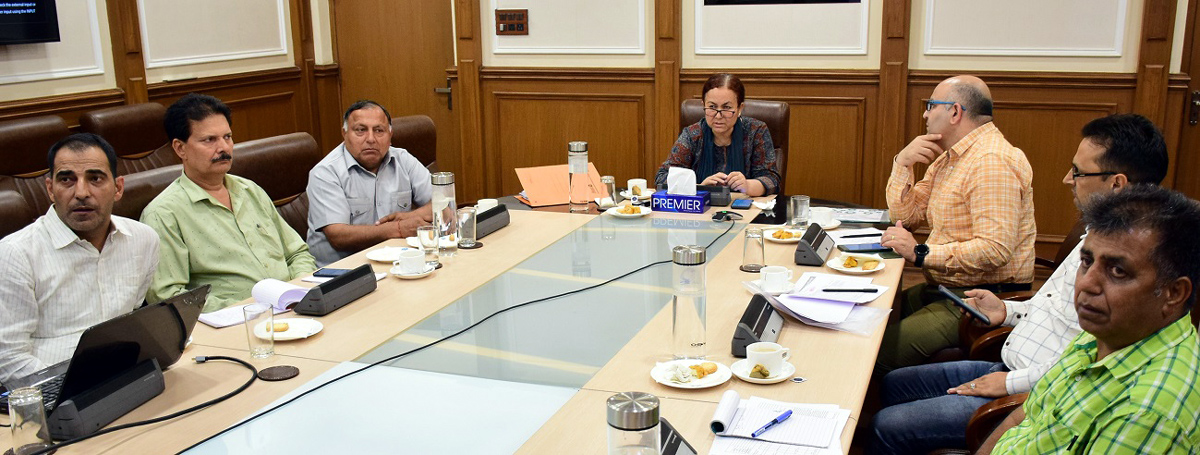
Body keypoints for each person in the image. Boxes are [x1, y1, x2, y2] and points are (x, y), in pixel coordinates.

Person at [870, 113, 1170, 454]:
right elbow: (1055, 307)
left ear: (1117, 183)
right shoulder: (1099, 234)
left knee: (885, 425)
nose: (1066, 180)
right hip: (1011, 364)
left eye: (1078, 172)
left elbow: (1087, 365)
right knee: (893, 384)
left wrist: (1008, 383)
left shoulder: (1131, 268)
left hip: (1030, 389)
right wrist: (1007, 310)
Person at [980, 186, 1200, 454]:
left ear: (1174, 293)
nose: (1087, 284)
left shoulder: (1146, 411)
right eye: (1086, 261)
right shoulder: (1107, 332)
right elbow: (1024, 417)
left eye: (1118, 271)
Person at [876, 75, 1036, 373]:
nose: (925, 114)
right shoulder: (951, 158)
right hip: (947, 287)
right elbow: (908, 216)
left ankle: (869, 414)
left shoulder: (991, 161)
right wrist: (902, 163)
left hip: (980, 299)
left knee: (874, 353)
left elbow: (994, 250)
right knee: (874, 312)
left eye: (930, 105)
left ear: (954, 112)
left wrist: (922, 254)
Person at [0, 133, 159, 384]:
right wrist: (72, 391)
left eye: (95, 178)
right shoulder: (15, 253)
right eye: (67, 180)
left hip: (125, 377)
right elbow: (9, 359)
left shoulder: (144, 239)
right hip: (55, 392)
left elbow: (131, 316)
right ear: (51, 189)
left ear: (118, 188)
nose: (81, 192)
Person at [141, 94, 316, 312]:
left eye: (228, 137)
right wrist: (249, 308)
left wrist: (296, 290)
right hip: (233, 324)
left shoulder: (249, 190)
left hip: (293, 307)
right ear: (180, 148)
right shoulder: (163, 213)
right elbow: (168, 296)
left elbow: (297, 253)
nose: (224, 148)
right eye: (210, 140)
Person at [306, 100, 433, 266]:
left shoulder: (403, 159)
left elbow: (443, 203)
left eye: (379, 130)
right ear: (344, 134)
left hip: (396, 263)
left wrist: (411, 217)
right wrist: (399, 229)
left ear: (390, 135)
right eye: (361, 130)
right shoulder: (325, 172)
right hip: (342, 273)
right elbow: (338, 235)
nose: (371, 139)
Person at [654, 73, 779, 197]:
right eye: (712, 107)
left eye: (726, 107)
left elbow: (772, 179)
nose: (718, 116)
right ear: (703, 105)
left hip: (745, 209)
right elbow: (662, 177)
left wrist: (747, 185)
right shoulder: (692, 135)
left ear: (740, 108)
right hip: (701, 211)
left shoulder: (756, 131)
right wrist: (699, 188)